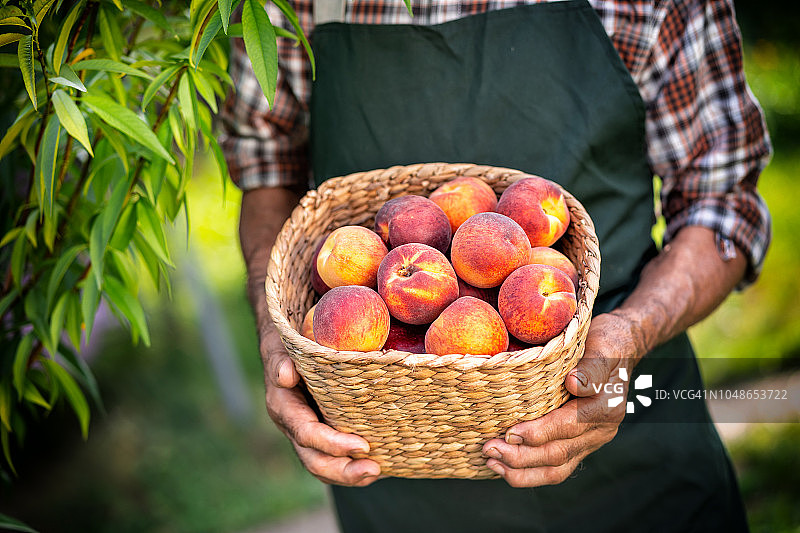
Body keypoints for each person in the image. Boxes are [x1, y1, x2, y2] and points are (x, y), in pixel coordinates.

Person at [221, 1, 771, 531]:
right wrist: (282, 338)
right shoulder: (280, 4)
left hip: (633, 424)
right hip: (396, 461)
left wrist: (632, 330)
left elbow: (721, 200)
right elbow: (266, 170)